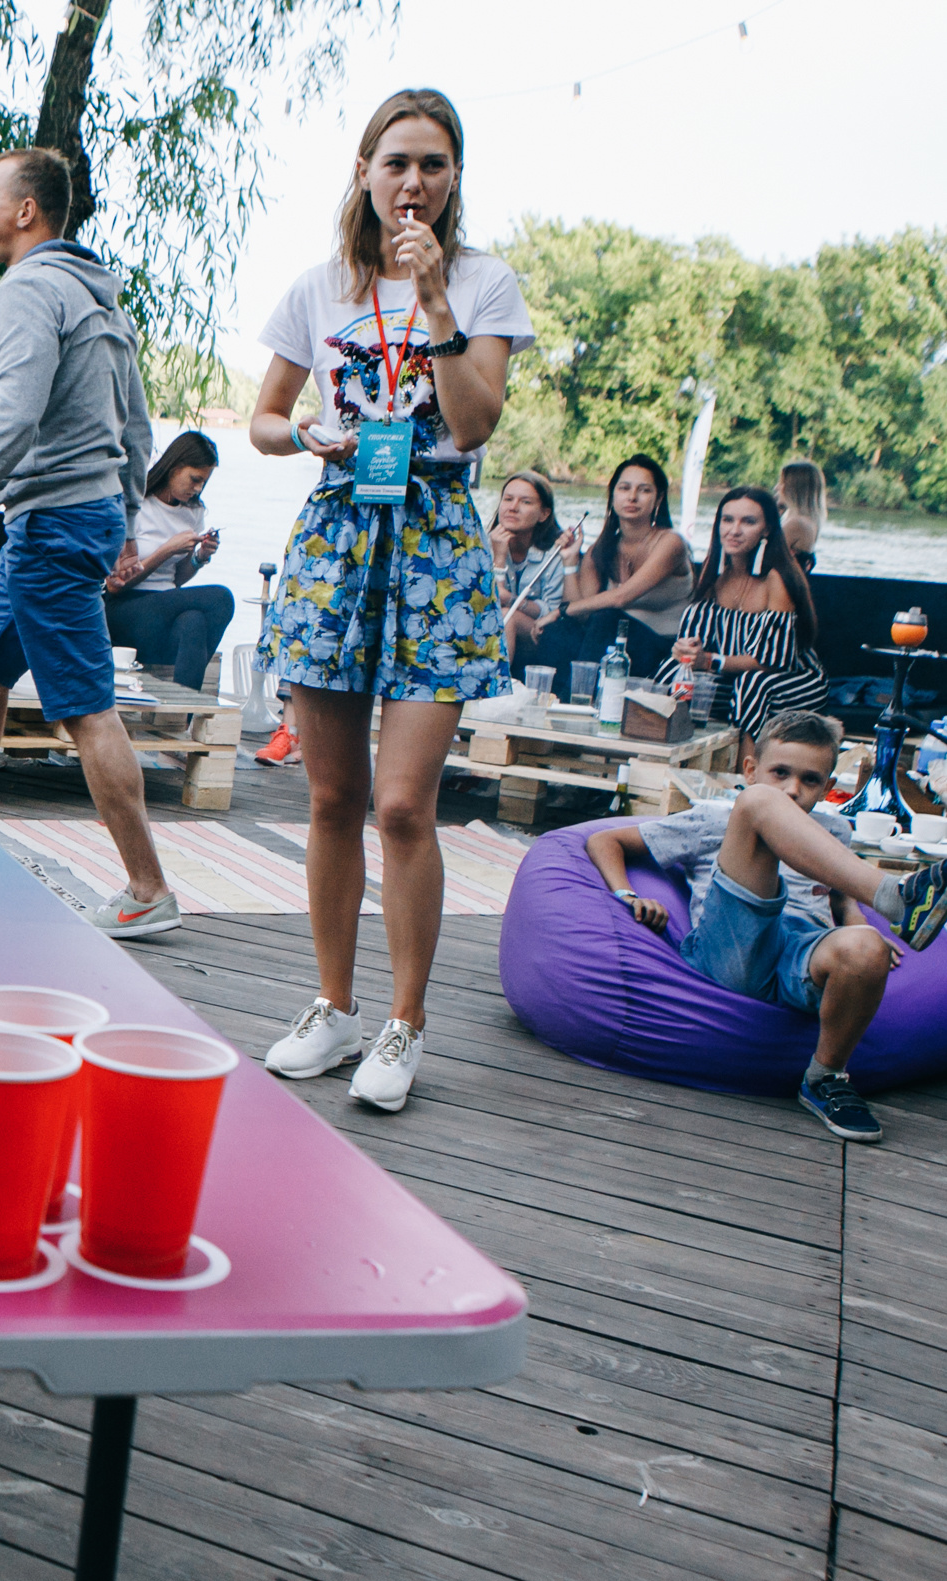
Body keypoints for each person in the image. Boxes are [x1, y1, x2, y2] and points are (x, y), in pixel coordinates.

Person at [249, 87, 535, 1109]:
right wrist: (308, 434)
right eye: (395, 162)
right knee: (329, 796)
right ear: (364, 172)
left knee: (405, 801)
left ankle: (403, 1021)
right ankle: (330, 1005)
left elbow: (477, 422)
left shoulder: (485, 283)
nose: (412, 183)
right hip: (336, 530)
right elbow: (263, 421)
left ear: (454, 178)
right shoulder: (318, 285)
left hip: (435, 536)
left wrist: (440, 311)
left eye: (433, 164)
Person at [0, 146, 177, 940]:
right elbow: (135, 428)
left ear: (28, 210)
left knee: (86, 708)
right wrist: (122, 519)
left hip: (52, 522)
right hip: (80, 515)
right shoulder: (101, 300)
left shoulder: (26, 288)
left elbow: (15, 416)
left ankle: (148, 886)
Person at [584, 709, 947, 1143]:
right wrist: (627, 894)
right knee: (758, 805)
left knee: (866, 946)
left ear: (830, 788)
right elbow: (604, 840)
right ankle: (895, 900)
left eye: (810, 780)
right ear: (750, 768)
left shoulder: (833, 827)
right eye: (780, 772)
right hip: (733, 946)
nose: (793, 790)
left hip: (799, 954)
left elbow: (838, 891)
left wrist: (854, 922)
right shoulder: (717, 815)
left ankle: (824, 1078)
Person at [670, 486, 826, 747]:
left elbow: (772, 662)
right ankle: (669, 759)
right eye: (727, 520)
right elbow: (697, 641)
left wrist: (708, 660)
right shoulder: (715, 572)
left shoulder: (776, 578)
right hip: (730, 675)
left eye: (748, 522)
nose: (734, 530)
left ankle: (744, 775)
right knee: (672, 671)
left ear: (766, 529)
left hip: (789, 679)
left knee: (751, 686)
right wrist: (685, 650)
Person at [106, 430, 236, 693]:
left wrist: (199, 558)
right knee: (221, 598)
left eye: (204, 483)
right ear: (174, 467)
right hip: (125, 609)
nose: (197, 488)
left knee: (194, 622)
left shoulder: (193, 512)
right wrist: (166, 550)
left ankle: (180, 715)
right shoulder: (136, 504)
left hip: (164, 609)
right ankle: (181, 706)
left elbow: (176, 579)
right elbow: (115, 586)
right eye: (194, 479)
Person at [556, 453, 689, 677]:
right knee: (558, 630)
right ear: (613, 495)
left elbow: (621, 597)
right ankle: (554, 701)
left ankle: (578, 701)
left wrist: (558, 611)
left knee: (607, 618)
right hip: (612, 646)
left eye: (644, 490)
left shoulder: (670, 543)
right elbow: (580, 613)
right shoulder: (600, 551)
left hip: (661, 649)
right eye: (624, 488)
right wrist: (570, 562)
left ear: (658, 499)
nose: (633, 497)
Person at [485, 470, 578, 673]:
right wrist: (499, 557)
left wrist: (509, 599)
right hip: (489, 626)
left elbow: (552, 610)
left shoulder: (555, 552)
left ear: (544, 513)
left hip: (540, 633)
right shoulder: (485, 542)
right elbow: (482, 600)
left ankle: (495, 686)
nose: (513, 508)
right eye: (508, 499)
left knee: (505, 616)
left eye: (525, 502)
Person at [778, 459, 826, 573]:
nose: (777, 488)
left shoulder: (797, 524)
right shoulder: (806, 521)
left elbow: (764, 556)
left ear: (794, 489)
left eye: (781, 483)